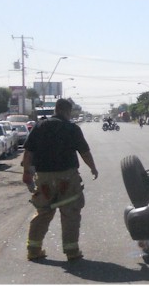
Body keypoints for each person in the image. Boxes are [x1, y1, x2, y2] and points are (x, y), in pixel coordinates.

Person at [21, 98, 99, 261]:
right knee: (70, 213)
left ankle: (33, 250)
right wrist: (92, 167)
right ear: (67, 111)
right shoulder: (72, 128)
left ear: (55, 109)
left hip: (44, 178)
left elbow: (28, 152)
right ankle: (71, 251)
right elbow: (84, 152)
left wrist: (26, 172)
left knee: (43, 212)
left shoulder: (39, 126)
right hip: (67, 178)